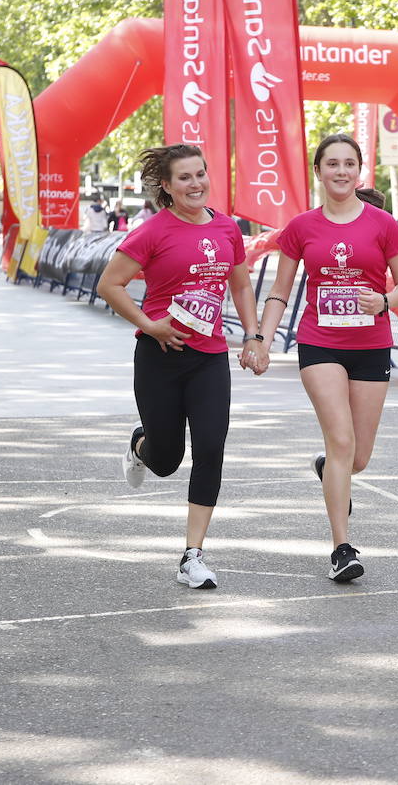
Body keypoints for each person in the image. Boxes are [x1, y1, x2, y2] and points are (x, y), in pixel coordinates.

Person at [95, 144, 263, 590]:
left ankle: (193, 555)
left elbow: (242, 285)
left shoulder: (228, 228)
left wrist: (253, 336)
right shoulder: (153, 232)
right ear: (166, 187)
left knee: (211, 448)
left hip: (209, 359)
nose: (196, 184)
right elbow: (109, 284)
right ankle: (142, 444)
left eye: (201, 174)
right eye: (184, 178)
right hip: (160, 358)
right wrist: (150, 326)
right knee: (167, 461)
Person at [251, 134, 398, 583]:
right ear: (318, 171)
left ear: (358, 171)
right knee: (340, 442)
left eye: (348, 164)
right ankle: (342, 548)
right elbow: (281, 290)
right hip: (320, 342)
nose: (340, 172)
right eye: (331, 164)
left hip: (371, 345)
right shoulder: (301, 227)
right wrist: (262, 339)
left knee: (357, 458)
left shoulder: (383, 224)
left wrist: (383, 302)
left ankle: (331, 472)